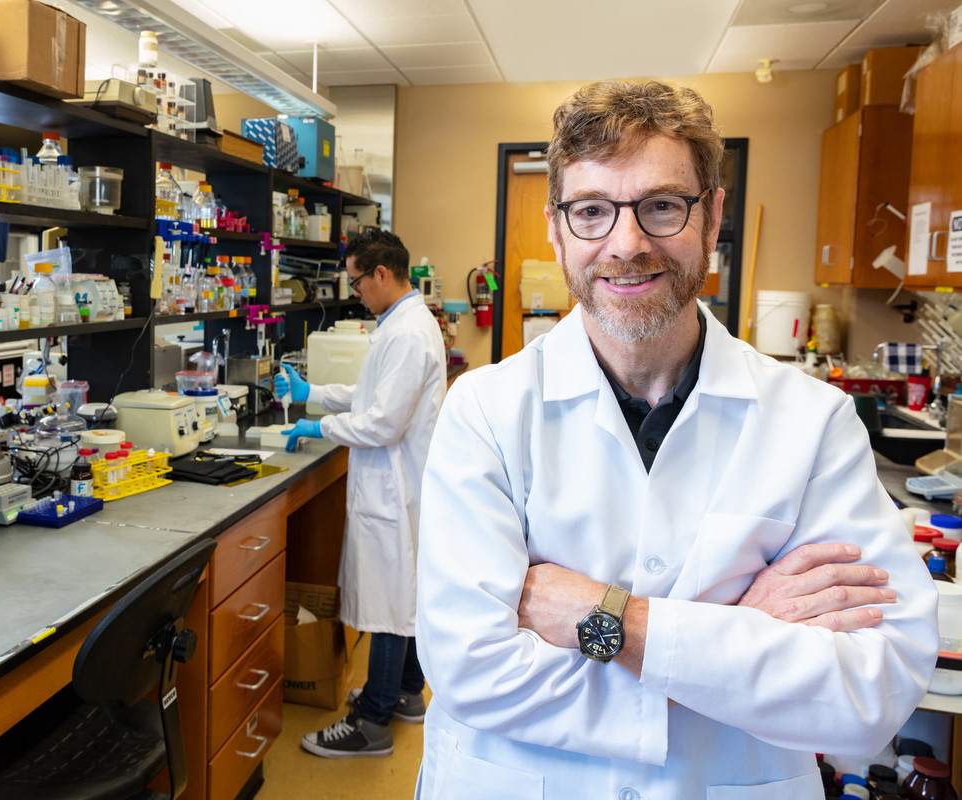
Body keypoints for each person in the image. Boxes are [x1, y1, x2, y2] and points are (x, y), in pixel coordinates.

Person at [414, 79, 938, 798]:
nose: (626, 244)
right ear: (557, 226)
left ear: (714, 213)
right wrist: (730, 642)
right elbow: (471, 670)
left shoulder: (812, 423)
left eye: (661, 206)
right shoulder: (485, 411)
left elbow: (870, 692)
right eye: (593, 211)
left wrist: (613, 623)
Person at [274, 229, 446, 758]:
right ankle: (407, 694)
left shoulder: (408, 334)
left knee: (388, 606)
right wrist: (314, 396)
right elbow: (372, 394)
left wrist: (317, 428)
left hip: (393, 488)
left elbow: (381, 423)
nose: (355, 293)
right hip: (399, 484)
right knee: (402, 596)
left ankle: (371, 722)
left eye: (357, 282)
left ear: (381, 274)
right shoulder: (403, 324)